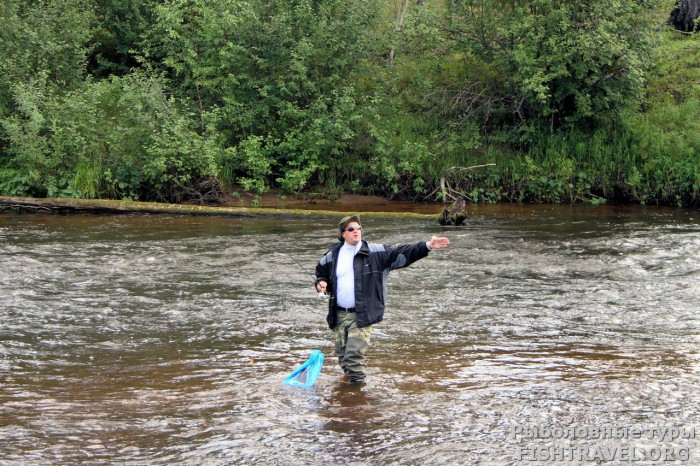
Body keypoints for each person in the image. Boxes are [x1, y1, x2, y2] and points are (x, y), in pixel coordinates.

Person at [314, 215, 450, 386]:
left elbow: (402, 251)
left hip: (362, 316)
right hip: (339, 315)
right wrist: (320, 283)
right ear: (342, 234)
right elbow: (320, 272)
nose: (356, 231)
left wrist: (428, 246)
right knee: (343, 360)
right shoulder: (333, 255)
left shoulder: (376, 252)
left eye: (358, 228)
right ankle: (347, 397)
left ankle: (357, 398)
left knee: (353, 358)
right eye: (351, 229)